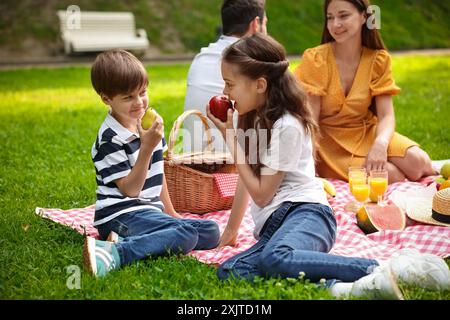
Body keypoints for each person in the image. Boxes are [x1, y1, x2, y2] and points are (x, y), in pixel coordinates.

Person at [206, 33, 450, 299]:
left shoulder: (287, 125)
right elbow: (247, 175)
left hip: (307, 214)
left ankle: (391, 268)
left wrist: (231, 141)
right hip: (275, 228)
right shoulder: (252, 117)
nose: (224, 93)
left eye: (230, 84)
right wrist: (231, 231)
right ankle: (348, 289)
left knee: (275, 258)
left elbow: (262, 194)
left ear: (260, 84)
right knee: (232, 270)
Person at [84, 50, 220, 277]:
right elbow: (130, 190)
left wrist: (171, 213)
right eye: (128, 97)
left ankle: (137, 239)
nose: (139, 103)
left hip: (149, 212)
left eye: (143, 93)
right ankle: (116, 252)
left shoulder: (148, 125)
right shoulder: (110, 139)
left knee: (211, 231)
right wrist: (146, 147)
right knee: (186, 234)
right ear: (106, 98)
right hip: (119, 215)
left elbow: (159, 173)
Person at [295, 0, 435, 183]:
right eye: (330, 18)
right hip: (328, 143)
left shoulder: (378, 60)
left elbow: (386, 116)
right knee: (392, 175)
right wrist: (308, 162)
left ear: (363, 16)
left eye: (343, 15)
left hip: (366, 131)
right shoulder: (316, 60)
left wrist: (381, 144)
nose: (335, 24)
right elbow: (310, 120)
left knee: (419, 164)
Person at [183, 0, 268, 153]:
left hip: (193, 159)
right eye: (265, 24)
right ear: (256, 24)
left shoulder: (201, 57)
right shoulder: (252, 61)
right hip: (233, 162)